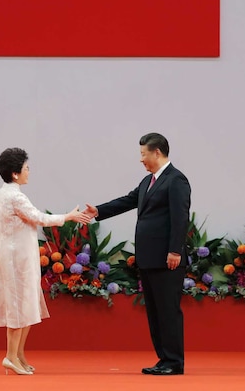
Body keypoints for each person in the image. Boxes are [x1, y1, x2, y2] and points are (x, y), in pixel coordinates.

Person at [83, 133, 191, 375]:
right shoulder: (148, 182)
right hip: (149, 258)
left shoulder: (176, 180)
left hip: (167, 259)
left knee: (167, 311)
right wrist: (98, 211)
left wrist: (175, 250)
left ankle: (174, 362)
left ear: (157, 153)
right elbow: (127, 201)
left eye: (143, 154)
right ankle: (164, 360)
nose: (141, 159)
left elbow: (180, 218)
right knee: (155, 312)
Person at [0, 147, 91, 375]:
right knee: (18, 306)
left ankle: (19, 356)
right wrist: (68, 216)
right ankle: (10, 357)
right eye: (26, 168)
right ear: (15, 173)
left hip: (18, 256)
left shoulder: (3, 194)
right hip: (16, 258)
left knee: (24, 304)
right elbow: (39, 218)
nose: (29, 171)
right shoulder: (14, 196)